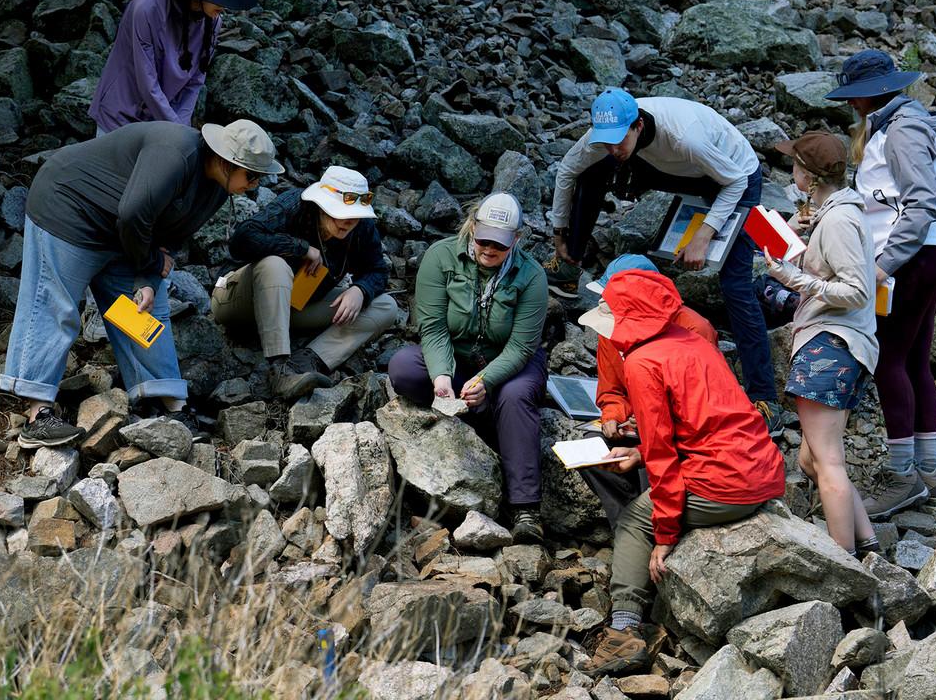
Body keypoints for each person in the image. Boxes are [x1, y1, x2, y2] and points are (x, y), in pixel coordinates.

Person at [0, 119, 283, 448]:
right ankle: (37, 415)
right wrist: (148, 262)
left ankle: (167, 403)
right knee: (56, 305)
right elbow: (134, 213)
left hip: (122, 232)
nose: (255, 184)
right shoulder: (175, 154)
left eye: (260, 177)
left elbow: (171, 236)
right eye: (251, 175)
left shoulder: (220, 188)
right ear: (225, 160)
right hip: (69, 209)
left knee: (141, 311)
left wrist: (147, 278)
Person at [578, 270, 786, 677]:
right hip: (760, 468)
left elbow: (662, 451)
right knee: (651, 504)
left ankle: (624, 630)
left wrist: (665, 535)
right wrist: (639, 455)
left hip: (723, 483)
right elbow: (700, 423)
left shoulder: (641, 361)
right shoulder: (691, 341)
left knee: (638, 520)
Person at [548, 89, 782, 430]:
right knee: (592, 170)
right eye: (607, 141)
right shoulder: (609, 135)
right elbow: (567, 171)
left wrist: (705, 234)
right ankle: (569, 266)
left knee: (735, 287)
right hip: (672, 168)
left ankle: (765, 398)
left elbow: (735, 181)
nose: (613, 148)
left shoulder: (687, 137)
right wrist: (559, 233)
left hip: (734, 176)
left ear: (638, 126)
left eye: (619, 141)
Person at [825, 50, 936, 519]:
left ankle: (902, 478)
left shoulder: (900, 129)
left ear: (869, 93)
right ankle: (931, 474)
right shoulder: (904, 122)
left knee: (888, 361)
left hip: (914, 257)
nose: (851, 106)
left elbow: (919, 204)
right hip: (934, 252)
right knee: (915, 360)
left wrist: (884, 265)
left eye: (853, 97)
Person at [388, 193, 549, 544]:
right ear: (472, 227)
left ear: (517, 239)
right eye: (483, 239)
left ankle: (525, 507)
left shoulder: (532, 276)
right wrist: (441, 376)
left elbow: (522, 346)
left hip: (511, 363)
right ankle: (489, 417)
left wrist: (486, 380)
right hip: (457, 357)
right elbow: (432, 328)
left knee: (516, 394)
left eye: (500, 244)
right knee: (404, 367)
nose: (489, 249)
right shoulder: (441, 257)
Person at [763, 131, 880, 558]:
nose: (789, 170)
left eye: (794, 165)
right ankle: (867, 543)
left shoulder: (837, 221)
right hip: (842, 345)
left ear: (809, 176)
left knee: (827, 462)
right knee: (811, 461)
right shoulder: (833, 214)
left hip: (829, 344)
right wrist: (798, 226)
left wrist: (791, 278)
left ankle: (843, 564)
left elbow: (857, 290)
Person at [211, 166, 400, 400]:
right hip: (237, 302)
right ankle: (279, 369)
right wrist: (299, 248)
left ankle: (306, 362)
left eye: (354, 216)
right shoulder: (296, 204)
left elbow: (377, 270)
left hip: (295, 308)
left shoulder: (362, 227)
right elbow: (242, 239)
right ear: (321, 206)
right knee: (274, 264)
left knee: (386, 306)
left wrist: (360, 290)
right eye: (339, 213)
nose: (348, 221)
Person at [579, 254, 721, 529]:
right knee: (591, 450)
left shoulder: (695, 329)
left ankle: (653, 529)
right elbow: (611, 389)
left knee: (654, 467)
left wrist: (648, 423)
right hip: (637, 424)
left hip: (679, 432)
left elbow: (702, 407)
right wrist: (612, 416)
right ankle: (630, 526)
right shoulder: (610, 321)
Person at [88, 0, 257, 135]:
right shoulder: (147, 9)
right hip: (118, 116)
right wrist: (177, 129)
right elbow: (147, 81)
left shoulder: (213, 22)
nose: (224, 6)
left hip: (161, 124)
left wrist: (180, 128)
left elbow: (195, 82)